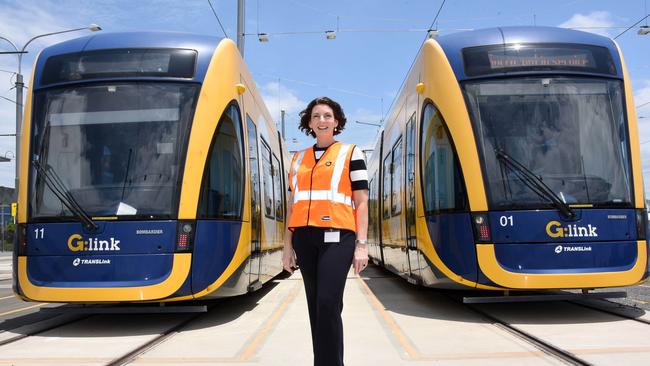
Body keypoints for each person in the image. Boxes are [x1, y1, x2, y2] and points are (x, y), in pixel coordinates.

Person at [282, 96, 369, 366]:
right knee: (315, 307)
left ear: (337, 121)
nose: (322, 120)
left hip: (338, 237)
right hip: (304, 239)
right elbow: (291, 205)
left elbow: (362, 200)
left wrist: (362, 244)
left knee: (328, 302)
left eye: (328, 116)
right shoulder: (297, 159)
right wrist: (287, 246)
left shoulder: (351, 153)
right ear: (309, 123)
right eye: (316, 116)